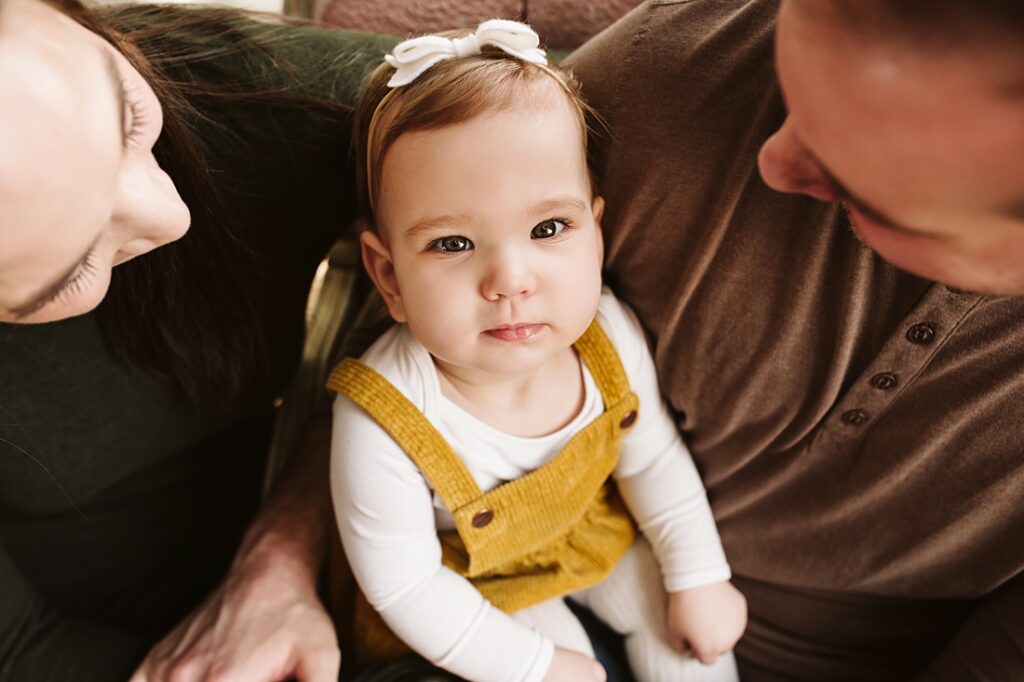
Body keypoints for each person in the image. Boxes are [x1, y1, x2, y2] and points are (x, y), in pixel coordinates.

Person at [556, 0, 1024, 679]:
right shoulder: (663, 76)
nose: (775, 162)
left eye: (860, 181)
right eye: (792, 76)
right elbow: (394, 324)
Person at [327, 20, 747, 682]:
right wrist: (536, 667)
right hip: (468, 590)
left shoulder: (607, 336)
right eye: (453, 244)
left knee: (691, 640)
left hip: (592, 540)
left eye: (549, 228)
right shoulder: (383, 418)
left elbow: (655, 459)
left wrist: (699, 572)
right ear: (388, 278)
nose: (510, 281)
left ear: (596, 235)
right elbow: (406, 587)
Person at [0, 0, 397, 679]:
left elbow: (588, 110)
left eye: (127, 114)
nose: (172, 214)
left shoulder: (238, 89)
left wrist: (284, 546)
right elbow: (18, 647)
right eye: (72, 271)